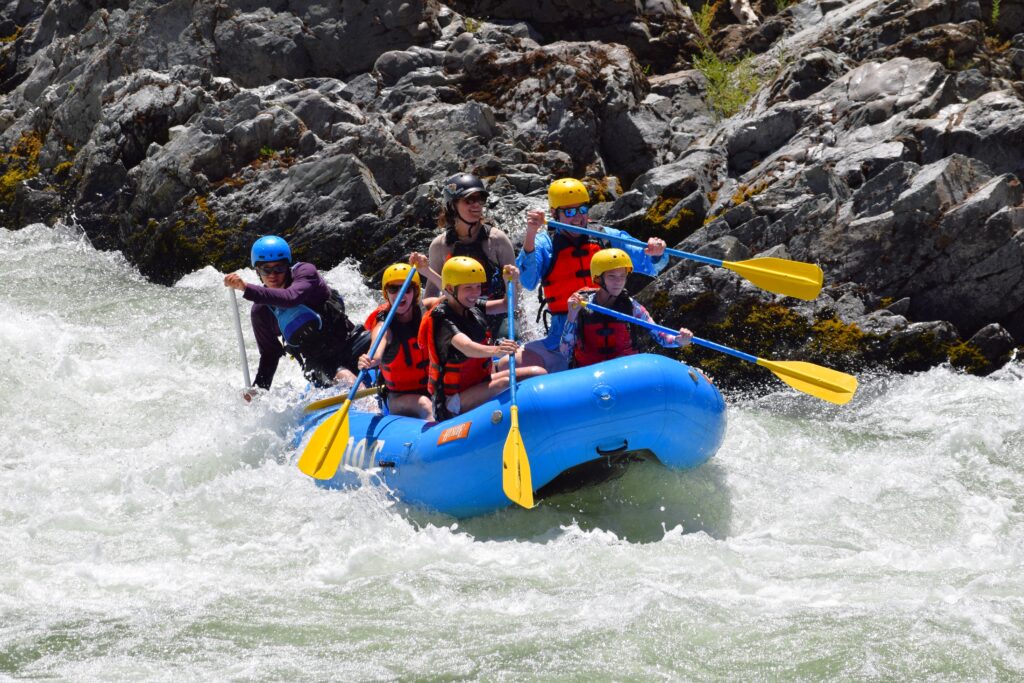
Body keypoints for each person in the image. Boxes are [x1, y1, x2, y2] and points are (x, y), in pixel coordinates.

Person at [517, 177, 671, 372]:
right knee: (510, 363)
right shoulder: (545, 243)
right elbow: (528, 281)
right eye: (569, 212)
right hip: (564, 333)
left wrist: (656, 252)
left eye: (582, 209)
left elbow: (649, 263)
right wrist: (530, 233)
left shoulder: (604, 236)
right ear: (555, 214)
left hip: (610, 325)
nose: (578, 218)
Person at [223, 235, 371, 397]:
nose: (273, 275)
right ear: (257, 271)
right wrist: (258, 391)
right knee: (347, 379)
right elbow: (270, 354)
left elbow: (291, 298)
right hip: (319, 364)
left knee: (388, 337)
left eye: (279, 268)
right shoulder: (261, 311)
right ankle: (372, 410)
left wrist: (246, 288)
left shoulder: (305, 273)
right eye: (266, 269)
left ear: (288, 266)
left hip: (350, 343)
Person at [419, 256, 547, 421]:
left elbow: (507, 304)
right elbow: (467, 347)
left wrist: (510, 282)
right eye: (469, 288)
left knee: (538, 372)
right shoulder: (443, 320)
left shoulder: (472, 306)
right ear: (450, 289)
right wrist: (497, 350)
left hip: (479, 382)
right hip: (451, 400)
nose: (475, 293)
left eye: (478, 286)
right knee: (505, 384)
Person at [561, 248, 692, 367]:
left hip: (623, 372)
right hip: (591, 371)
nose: (618, 282)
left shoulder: (632, 307)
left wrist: (679, 340)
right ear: (599, 279)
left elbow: (661, 337)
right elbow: (564, 350)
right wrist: (571, 315)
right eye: (612, 276)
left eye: (622, 276)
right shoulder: (582, 305)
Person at [424, 172, 517, 338]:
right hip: (459, 316)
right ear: (452, 205)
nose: (477, 205)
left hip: (498, 313)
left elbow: (516, 290)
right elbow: (431, 296)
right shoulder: (439, 246)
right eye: (469, 200)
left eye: (480, 199)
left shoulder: (497, 240)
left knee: (511, 337)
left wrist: (518, 320)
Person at [357, 257, 438, 420]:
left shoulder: (427, 309)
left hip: (433, 387)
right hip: (399, 397)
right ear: (386, 293)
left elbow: (455, 296)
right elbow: (377, 347)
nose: (400, 294)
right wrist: (370, 360)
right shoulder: (384, 325)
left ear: (415, 292)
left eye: (406, 288)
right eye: (394, 288)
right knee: (425, 405)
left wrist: (427, 271)